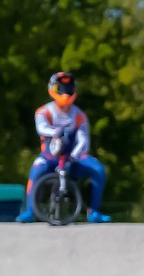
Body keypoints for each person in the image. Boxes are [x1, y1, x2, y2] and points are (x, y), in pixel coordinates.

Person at [16, 72, 111, 223]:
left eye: (69, 87)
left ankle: (94, 211)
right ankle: (30, 211)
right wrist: (56, 132)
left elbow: (83, 140)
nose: (65, 92)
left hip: (72, 157)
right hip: (49, 157)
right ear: (53, 89)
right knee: (36, 170)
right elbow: (41, 129)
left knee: (98, 169)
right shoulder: (43, 112)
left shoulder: (80, 116)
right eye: (62, 87)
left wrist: (73, 157)